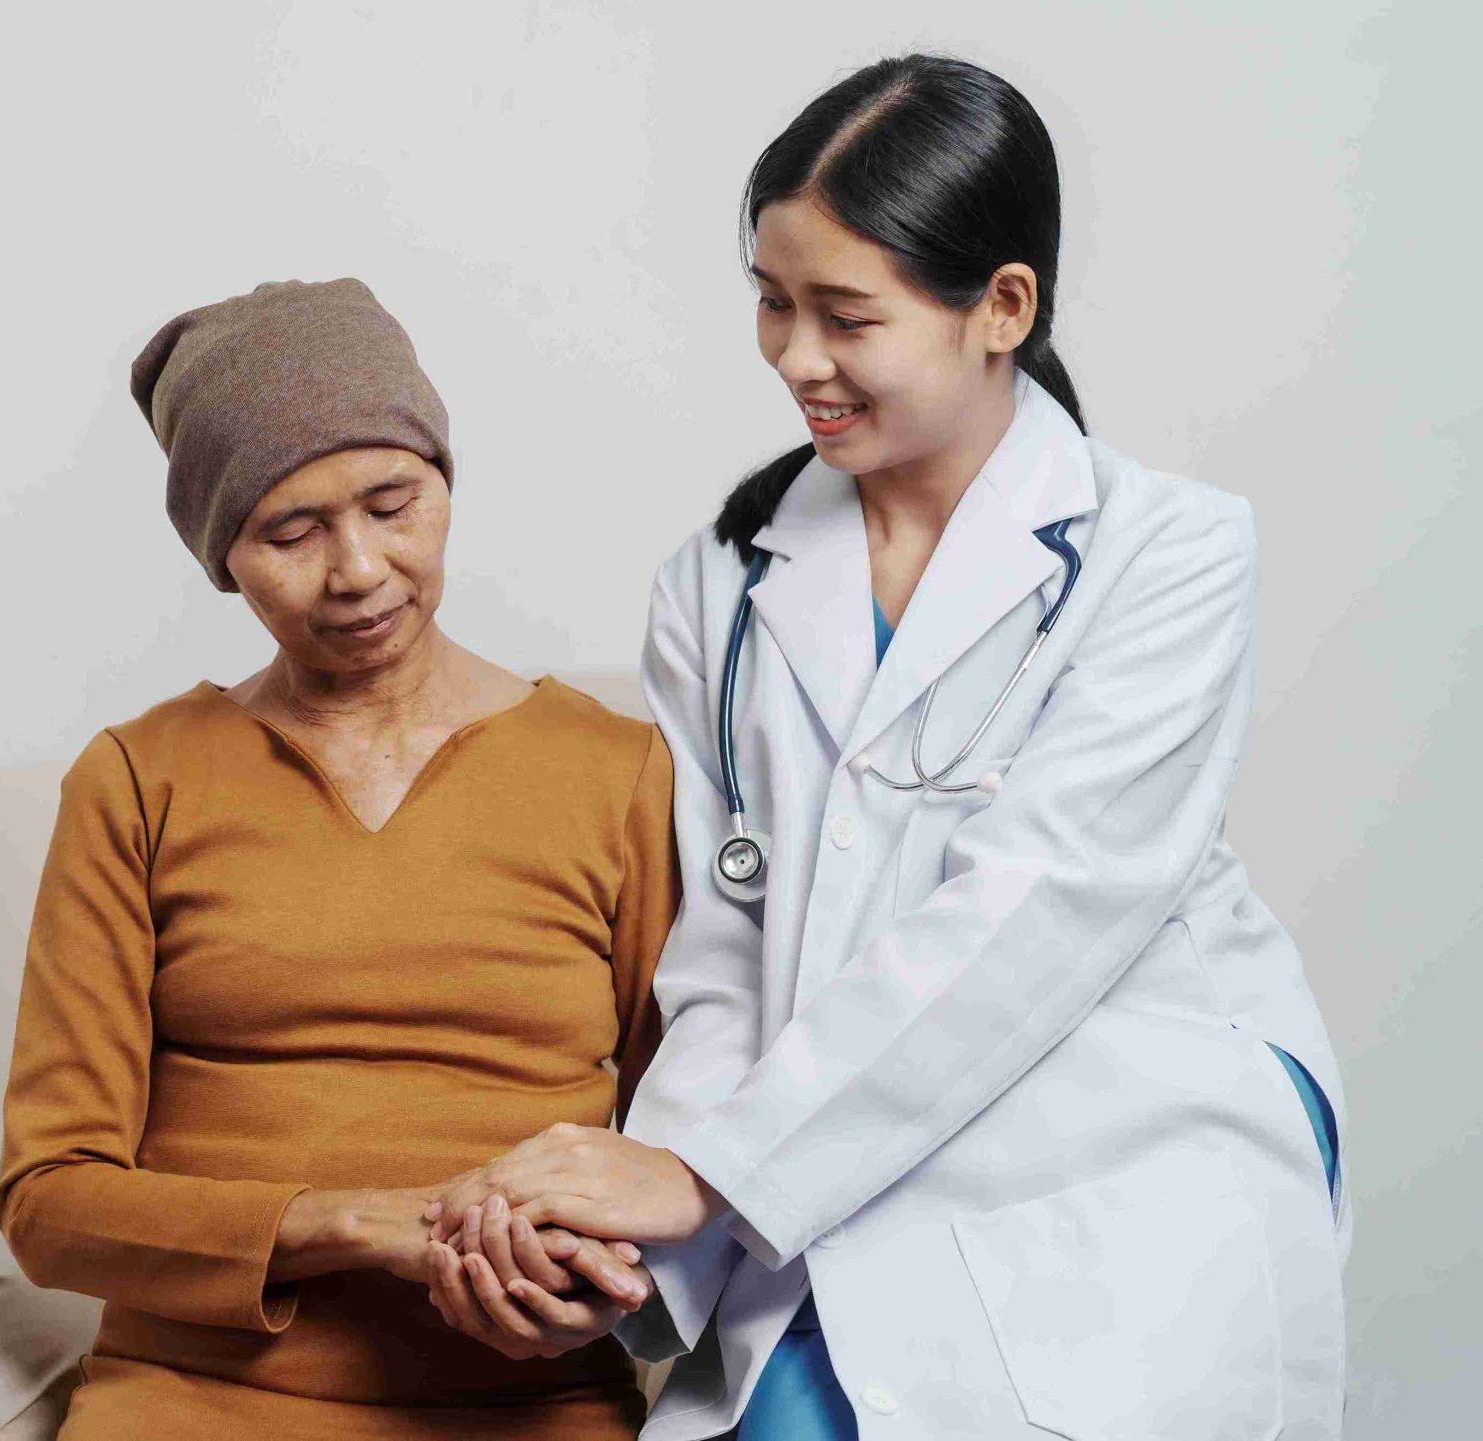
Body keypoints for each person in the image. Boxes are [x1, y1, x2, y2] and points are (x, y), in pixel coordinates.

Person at [430, 55, 1346, 1440]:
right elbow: (724, 957)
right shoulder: (719, 585)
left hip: (1117, 1148)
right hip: (825, 1157)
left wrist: (709, 1177)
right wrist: (632, 1246)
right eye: (772, 301)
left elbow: (1042, 909)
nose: (796, 357)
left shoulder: (1167, 552)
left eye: (845, 315)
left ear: (1003, 308)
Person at [0, 278, 675, 1439]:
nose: (357, 568)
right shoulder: (137, 781)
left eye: (392, 504)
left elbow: (693, 1151)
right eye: (291, 531)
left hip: (532, 1400)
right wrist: (349, 1224)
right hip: (190, 1400)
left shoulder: (618, 772)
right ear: (223, 554)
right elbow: (48, 1199)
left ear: (444, 487)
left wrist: (606, 1285)